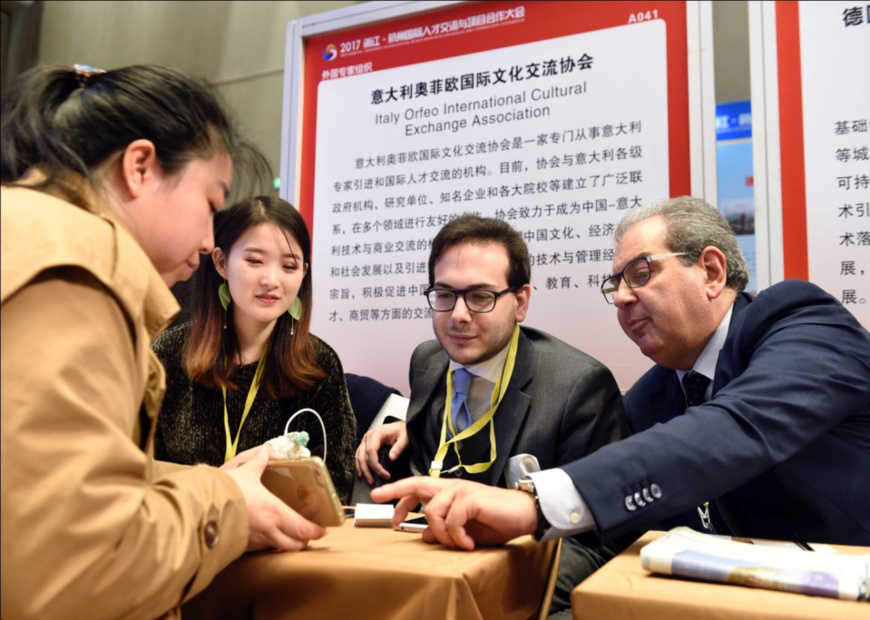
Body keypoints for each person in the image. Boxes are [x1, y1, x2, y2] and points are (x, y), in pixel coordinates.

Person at [1, 64, 325, 620]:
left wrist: (204, 486)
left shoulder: (28, 232)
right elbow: (74, 566)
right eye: (209, 204)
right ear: (141, 167)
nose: (206, 242)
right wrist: (223, 504)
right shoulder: (77, 270)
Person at [371, 196, 870, 552]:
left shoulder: (801, 321)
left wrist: (532, 504)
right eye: (617, 284)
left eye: (642, 274)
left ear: (713, 272)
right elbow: (624, 495)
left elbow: (737, 426)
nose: (625, 297)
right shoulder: (652, 398)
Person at [356, 214, 631, 617]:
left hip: (504, 586)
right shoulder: (429, 360)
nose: (459, 315)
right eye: (445, 294)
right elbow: (439, 448)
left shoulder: (579, 386)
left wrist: (485, 588)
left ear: (520, 302)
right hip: (426, 567)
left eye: (481, 297)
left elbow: (600, 541)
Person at [153, 195, 357, 504]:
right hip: (183, 534)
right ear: (222, 263)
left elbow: (335, 490)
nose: (271, 280)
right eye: (255, 261)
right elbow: (134, 473)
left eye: (289, 266)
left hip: (281, 539)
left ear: (303, 273)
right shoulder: (168, 353)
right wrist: (221, 482)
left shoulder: (320, 364)